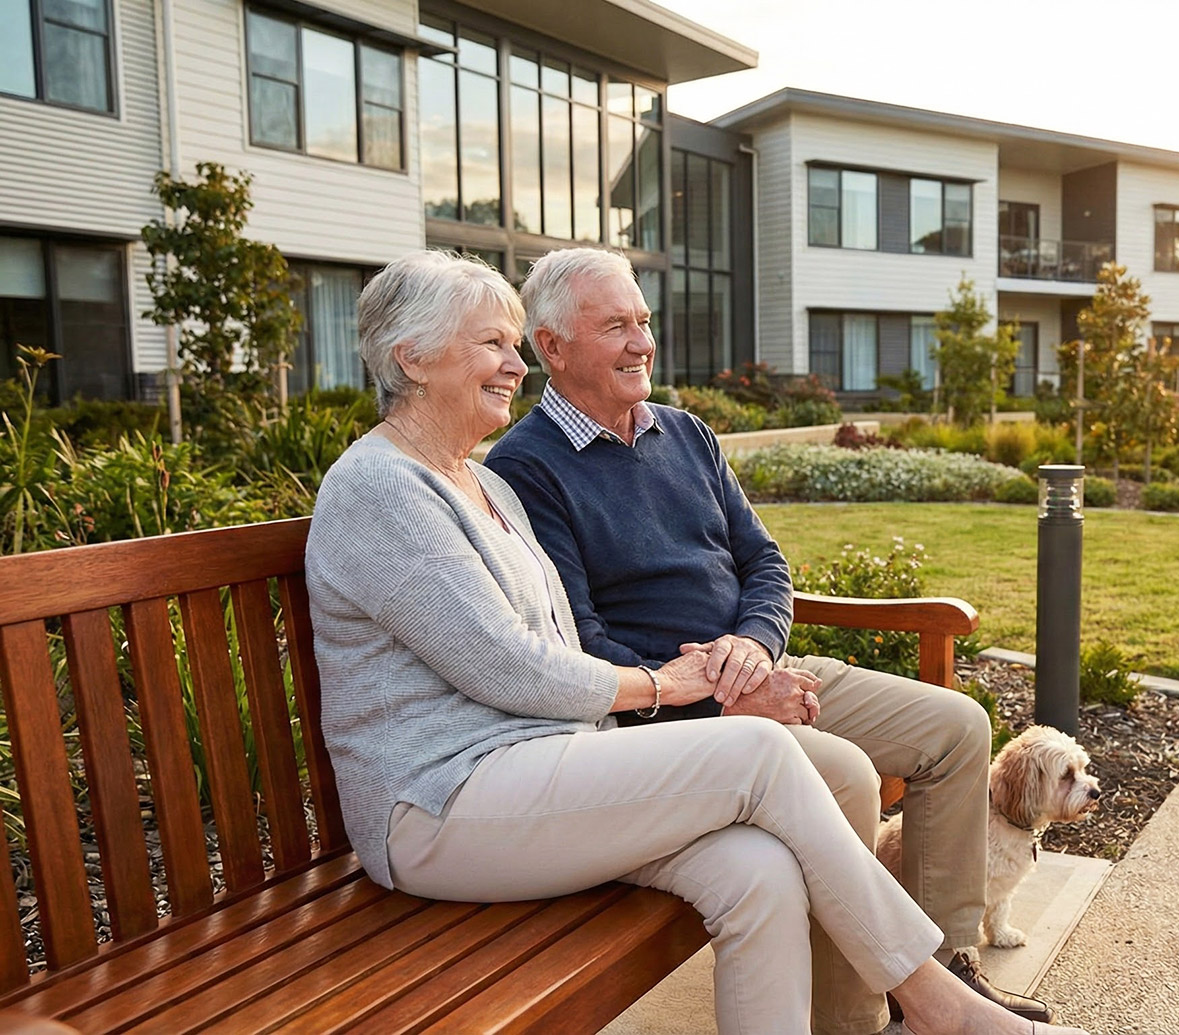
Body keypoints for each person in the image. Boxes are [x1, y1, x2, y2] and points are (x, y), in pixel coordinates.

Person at [305, 250, 1087, 1035]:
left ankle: (900, 1010)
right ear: (411, 356)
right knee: (762, 752)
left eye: (513, 343)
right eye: (492, 344)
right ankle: (939, 1009)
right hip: (443, 801)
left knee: (763, 871)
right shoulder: (381, 486)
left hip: (553, 768)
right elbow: (506, 663)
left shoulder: (481, 481)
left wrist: (741, 656)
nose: (513, 364)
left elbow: (714, 578)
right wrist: (672, 685)